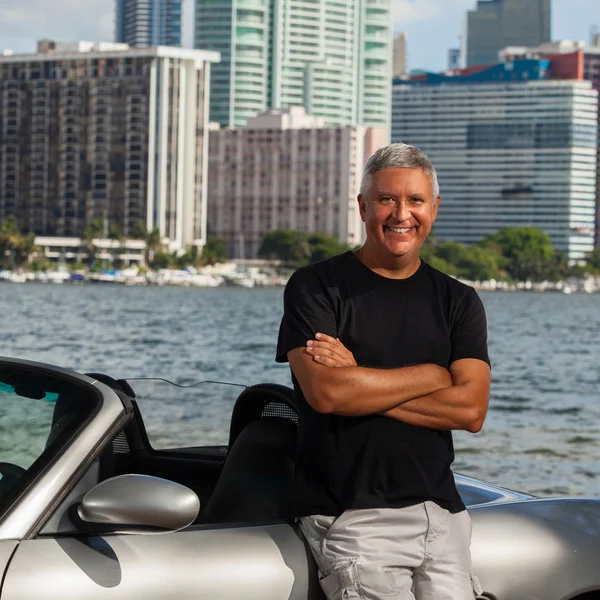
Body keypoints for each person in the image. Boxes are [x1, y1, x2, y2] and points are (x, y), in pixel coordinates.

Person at [275, 143, 491, 600]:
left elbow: (471, 409)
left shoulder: (459, 300)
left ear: (434, 208)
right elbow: (329, 394)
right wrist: (435, 375)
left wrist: (361, 376)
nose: (401, 214)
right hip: (354, 518)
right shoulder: (315, 287)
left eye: (415, 200)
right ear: (363, 206)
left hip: (444, 518)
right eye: (387, 199)